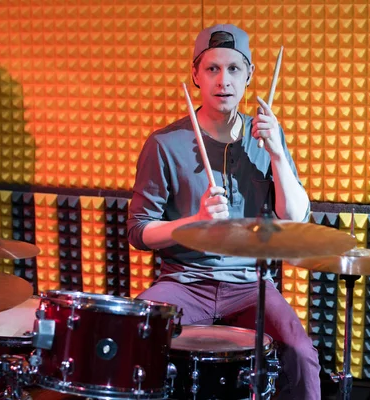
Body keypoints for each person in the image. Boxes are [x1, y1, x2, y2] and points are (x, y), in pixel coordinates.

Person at [127, 24, 321, 399]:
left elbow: (294, 219)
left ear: (249, 75)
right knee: (133, 334)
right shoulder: (164, 144)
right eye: (212, 68)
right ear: (195, 76)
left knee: (299, 353)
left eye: (234, 69)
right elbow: (139, 231)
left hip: (251, 286)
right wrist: (193, 223)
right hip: (184, 282)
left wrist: (278, 152)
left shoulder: (266, 138)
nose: (223, 80)